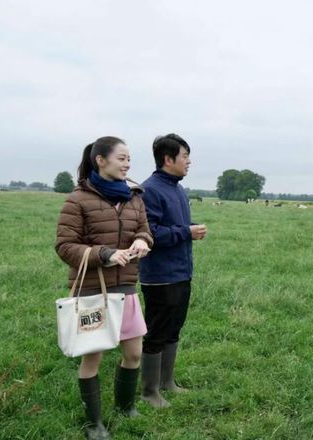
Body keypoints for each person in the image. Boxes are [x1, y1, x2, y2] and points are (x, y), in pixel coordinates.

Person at [55, 136, 153, 440]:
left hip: (126, 287)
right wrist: (105, 255)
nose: (127, 164)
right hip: (92, 290)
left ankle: (125, 407)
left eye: (128, 158)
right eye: (121, 158)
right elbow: (64, 245)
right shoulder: (78, 199)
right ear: (101, 160)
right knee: (93, 356)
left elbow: (144, 229)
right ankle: (94, 423)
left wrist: (142, 241)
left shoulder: (135, 196)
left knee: (134, 353)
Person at [138, 134, 207, 408]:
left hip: (181, 272)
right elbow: (149, 233)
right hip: (159, 276)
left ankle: (167, 382)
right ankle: (149, 392)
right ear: (168, 159)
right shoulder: (150, 190)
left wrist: (186, 234)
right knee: (157, 331)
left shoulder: (178, 189)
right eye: (185, 156)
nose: (189, 162)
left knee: (174, 328)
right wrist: (186, 232)